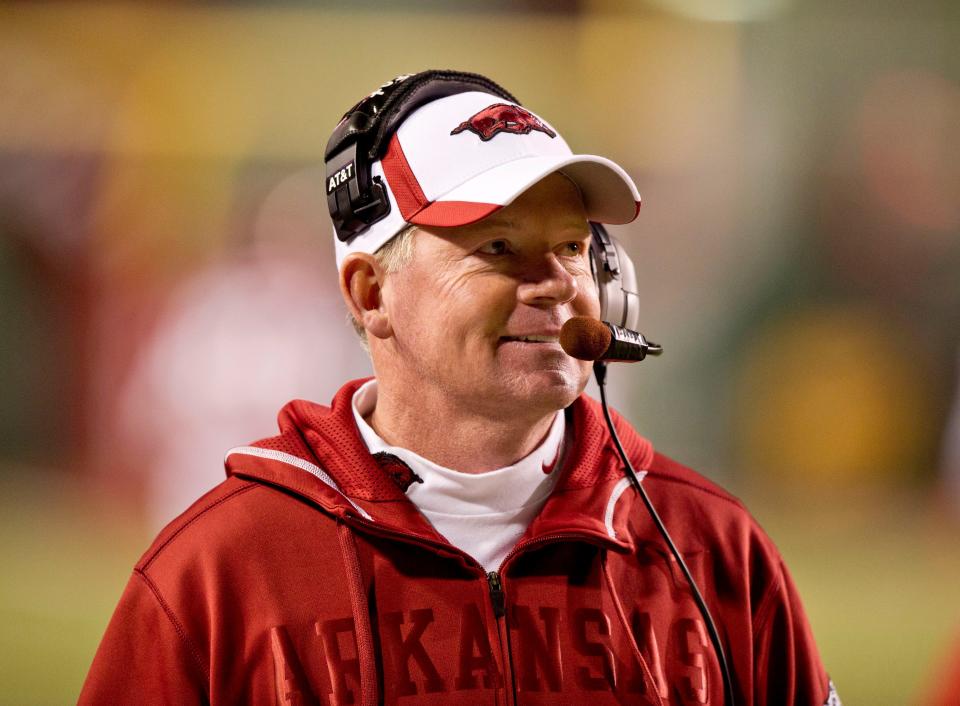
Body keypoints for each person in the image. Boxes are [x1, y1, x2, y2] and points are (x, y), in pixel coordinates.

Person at [80, 70, 840, 705]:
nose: (555, 286)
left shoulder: (716, 552)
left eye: (572, 248)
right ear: (371, 293)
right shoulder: (218, 575)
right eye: (499, 247)